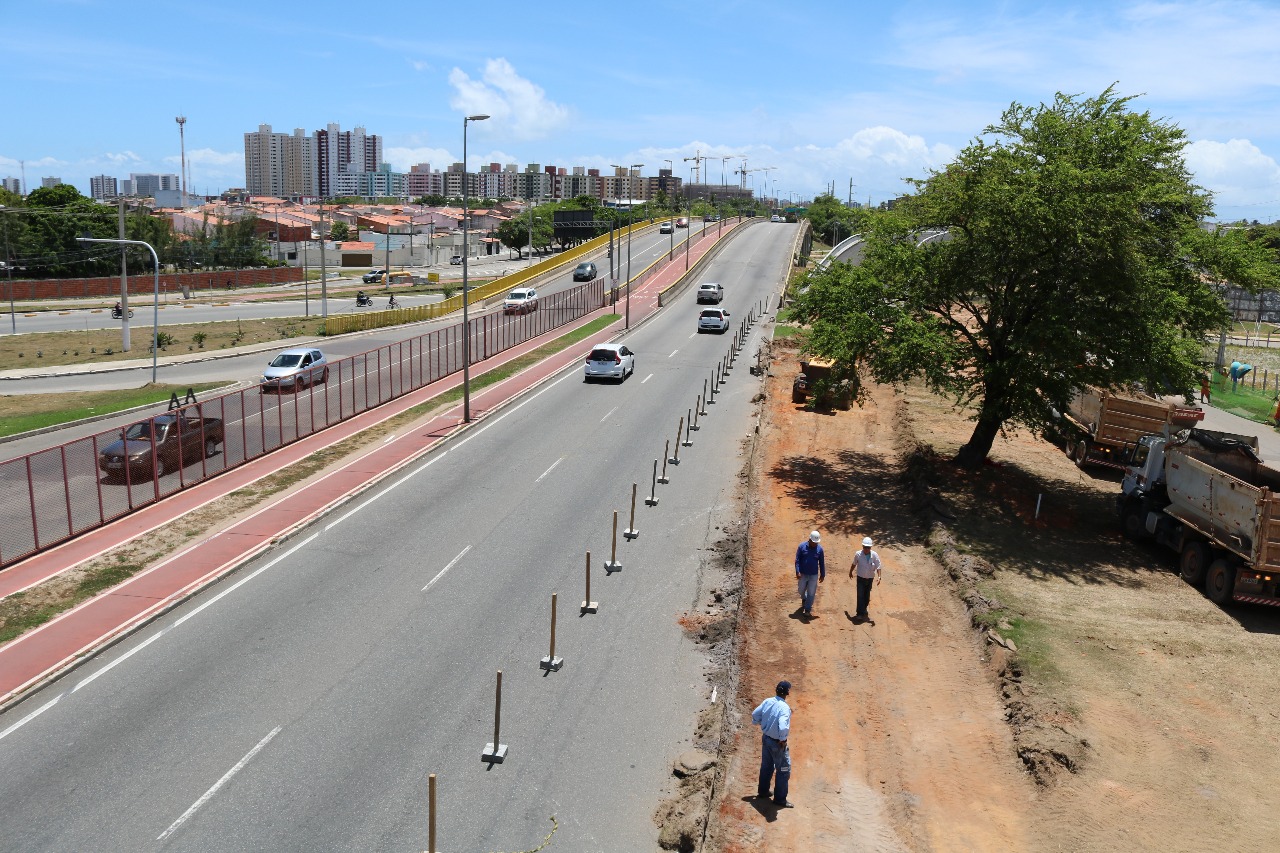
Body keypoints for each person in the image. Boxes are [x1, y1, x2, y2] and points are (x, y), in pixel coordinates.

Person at [752, 680, 793, 808]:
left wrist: (760, 723)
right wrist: (783, 739)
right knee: (783, 770)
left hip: (766, 739)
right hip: (777, 743)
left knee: (767, 766)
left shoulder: (768, 701)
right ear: (787, 693)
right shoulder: (785, 708)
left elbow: (755, 714)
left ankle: (763, 791)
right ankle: (780, 799)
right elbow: (783, 726)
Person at [849, 537, 883, 623]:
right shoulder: (858, 554)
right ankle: (859, 613)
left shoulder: (874, 555)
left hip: (870, 579)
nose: (866, 549)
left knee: (866, 596)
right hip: (860, 578)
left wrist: (879, 577)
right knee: (860, 595)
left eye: (868, 547)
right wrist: (850, 571)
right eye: (865, 547)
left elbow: (878, 566)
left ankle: (864, 609)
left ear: (871, 548)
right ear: (862, 546)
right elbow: (854, 563)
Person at [794, 530, 825, 617]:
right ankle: (804, 598)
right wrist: (797, 571)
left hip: (813, 575)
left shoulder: (820, 549)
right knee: (801, 590)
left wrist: (823, 574)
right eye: (814, 542)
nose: (815, 544)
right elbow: (797, 560)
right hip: (803, 574)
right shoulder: (801, 547)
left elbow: (821, 562)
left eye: (816, 542)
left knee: (811, 592)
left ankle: (807, 609)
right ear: (809, 540)